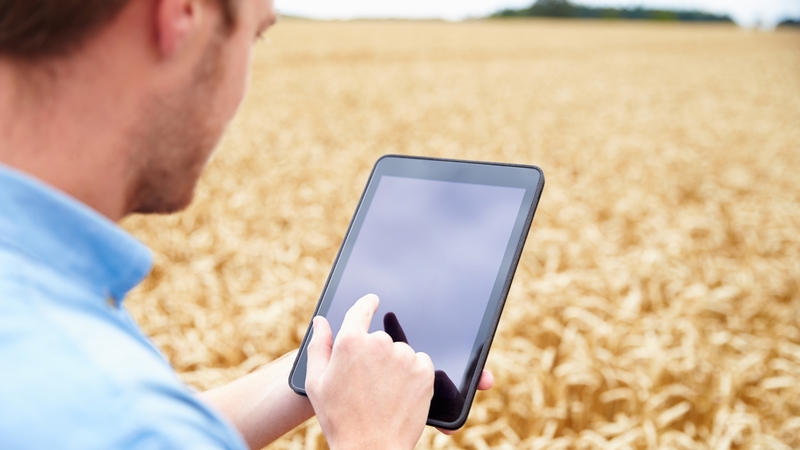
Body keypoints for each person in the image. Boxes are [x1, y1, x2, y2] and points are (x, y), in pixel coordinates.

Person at [0, 0, 493, 448]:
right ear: (180, 15)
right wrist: (372, 438)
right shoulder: (130, 421)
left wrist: (323, 365)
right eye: (255, 36)